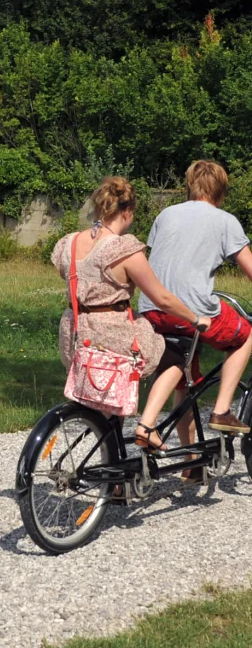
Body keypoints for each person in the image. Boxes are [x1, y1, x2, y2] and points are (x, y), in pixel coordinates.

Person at [51, 177, 211, 453]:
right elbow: (161, 297)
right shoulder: (123, 249)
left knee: (107, 402)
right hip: (111, 333)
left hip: (76, 331)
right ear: (127, 211)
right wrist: (196, 318)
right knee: (177, 358)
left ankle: (114, 481)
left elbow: (66, 273)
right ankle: (146, 428)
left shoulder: (68, 243)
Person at [138, 160, 252, 474]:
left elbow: (160, 259)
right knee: (245, 336)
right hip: (191, 310)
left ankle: (191, 464)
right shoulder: (225, 221)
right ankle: (222, 410)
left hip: (152, 308)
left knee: (185, 384)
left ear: (191, 186)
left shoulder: (165, 214)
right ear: (221, 191)